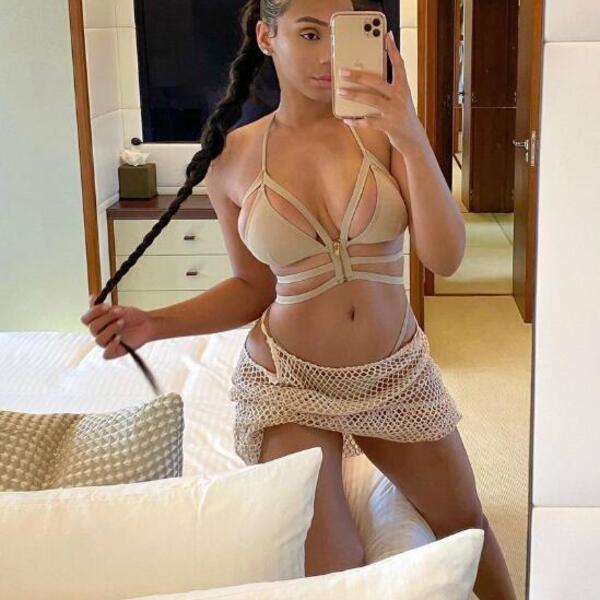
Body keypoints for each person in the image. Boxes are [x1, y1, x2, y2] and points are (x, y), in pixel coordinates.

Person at [81, 2, 517, 598]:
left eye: (340, 34)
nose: (329, 55)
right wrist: (152, 323)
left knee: (466, 526)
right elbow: (252, 287)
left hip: (395, 373)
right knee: (335, 565)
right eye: (309, 34)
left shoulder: (385, 134)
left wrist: (411, 134)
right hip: (289, 383)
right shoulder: (232, 157)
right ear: (266, 36)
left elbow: (445, 258)